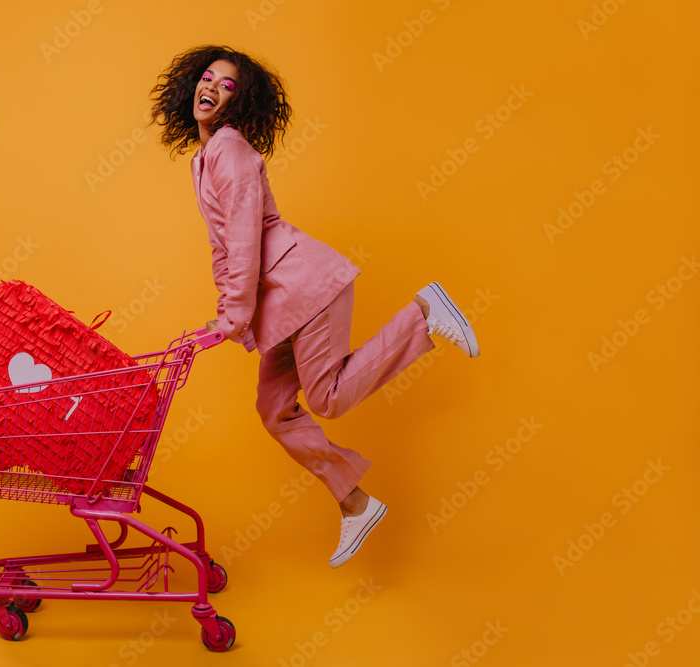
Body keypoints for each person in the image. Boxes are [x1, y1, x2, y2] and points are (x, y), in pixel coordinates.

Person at [149, 45, 480, 568]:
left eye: (227, 85)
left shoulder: (230, 151)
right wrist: (229, 313)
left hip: (307, 288)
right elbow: (226, 247)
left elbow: (242, 241)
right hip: (282, 302)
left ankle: (423, 313)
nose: (211, 88)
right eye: (207, 78)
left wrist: (233, 315)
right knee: (275, 411)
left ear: (240, 103)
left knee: (325, 399)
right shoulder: (208, 155)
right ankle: (355, 504)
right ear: (192, 84)